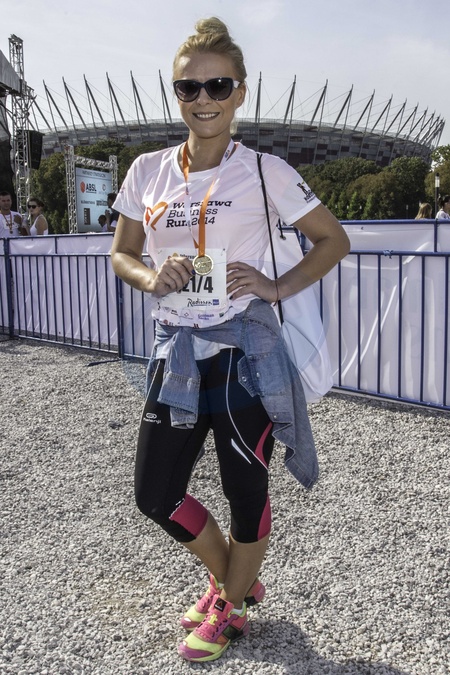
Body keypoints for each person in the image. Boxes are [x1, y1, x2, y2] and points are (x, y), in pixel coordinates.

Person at [111, 17, 350, 664]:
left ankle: (232, 604)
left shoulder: (266, 170)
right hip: (177, 352)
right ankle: (234, 584)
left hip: (246, 353)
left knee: (246, 493)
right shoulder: (147, 171)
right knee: (155, 492)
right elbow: (122, 253)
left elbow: (333, 239)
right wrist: (151, 276)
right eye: (188, 87)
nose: (204, 99)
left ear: (240, 92)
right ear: (175, 94)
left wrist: (276, 285)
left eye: (218, 85)